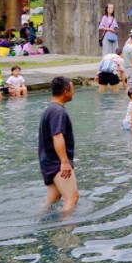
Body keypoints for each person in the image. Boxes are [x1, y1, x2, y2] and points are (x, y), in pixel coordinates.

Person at [38, 76, 77, 213]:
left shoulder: (50, 109)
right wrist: (64, 162)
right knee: (72, 198)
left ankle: (41, 222)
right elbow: (57, 136)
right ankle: (64, 233)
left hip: (48, 161)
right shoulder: (57, 112)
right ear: (66, 92)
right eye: (72, 89)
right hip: (57, 163)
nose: (74, 92)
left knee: (52, 199)